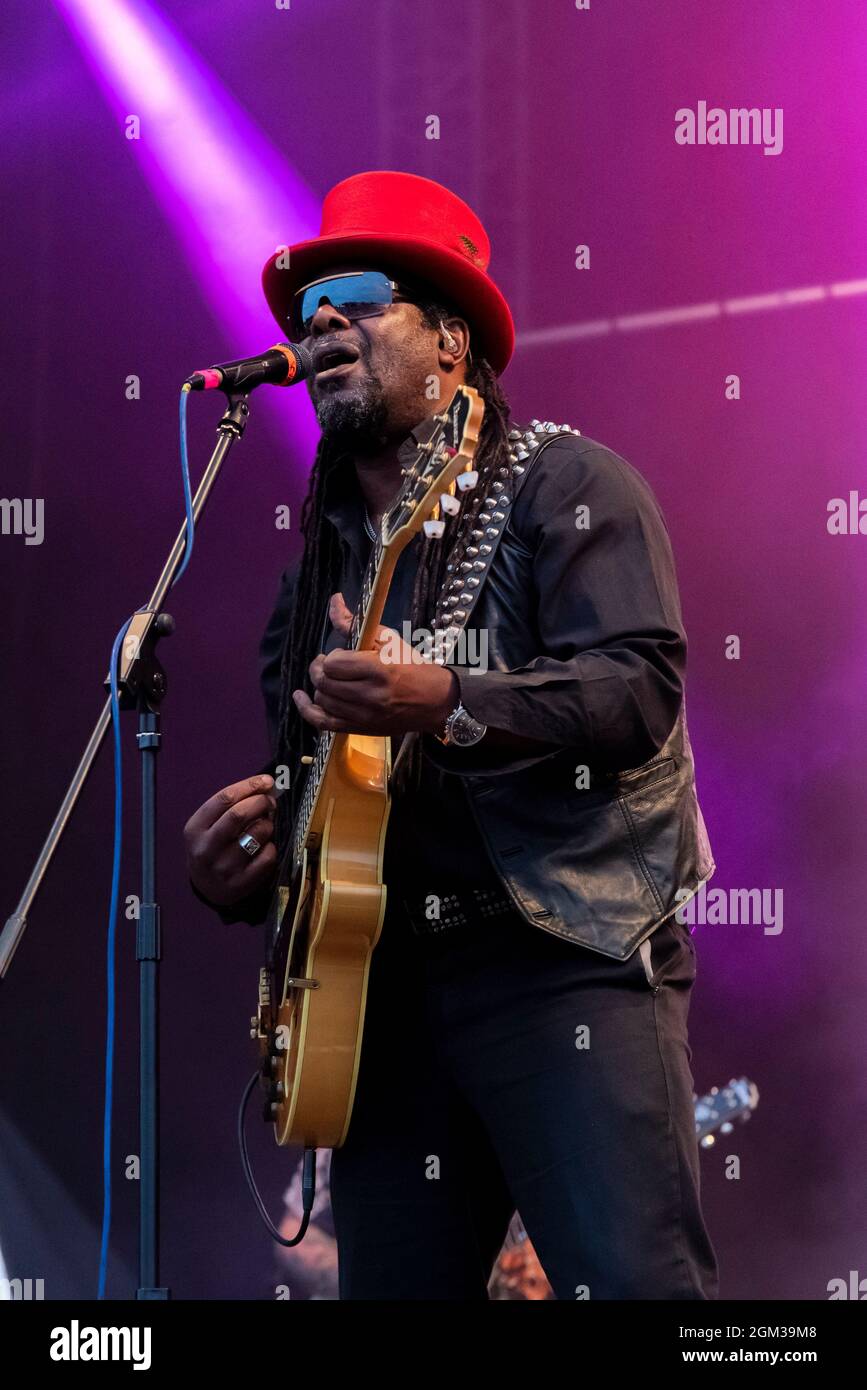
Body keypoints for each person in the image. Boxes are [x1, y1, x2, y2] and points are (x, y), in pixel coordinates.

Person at [184, 170, 719, 1301]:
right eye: (310, 304)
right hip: (390, 999)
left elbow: (635, 693)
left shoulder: (568, 488)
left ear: (451, 342)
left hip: (564, 966)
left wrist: (450, 703)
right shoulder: (312, 579)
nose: (323, 320)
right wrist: (247, 873)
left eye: (363, 293)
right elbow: (323, 813)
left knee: (633, 1288)